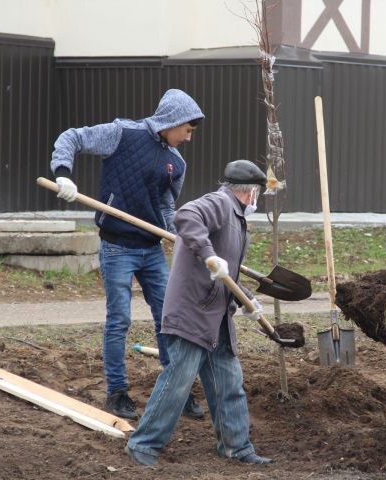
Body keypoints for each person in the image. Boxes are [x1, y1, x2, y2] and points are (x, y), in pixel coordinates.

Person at [49, 89, 206, 421]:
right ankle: (117, 393)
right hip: (117, 246)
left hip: (151, 249)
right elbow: (72, 137)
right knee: (119, 320)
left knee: (169, 319)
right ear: (173, 121)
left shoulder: (176, 162)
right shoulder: (122, 133)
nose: (189, 137)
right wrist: (63, 172)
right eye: (188, 130)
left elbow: (165, 203)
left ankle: (178, 389)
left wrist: (175, 234)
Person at [125, 159, 274, 466]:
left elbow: (226, 273)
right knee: (178, 380)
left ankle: (237, 447)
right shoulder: (220, 203)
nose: (258, 200)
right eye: (259, 193)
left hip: (216, 316)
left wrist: (246, 299)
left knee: (228, 382)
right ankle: (143, 444)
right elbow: (186, 215)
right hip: (193, 312)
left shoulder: (236, 217)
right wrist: (209, 256)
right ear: (251, 192)